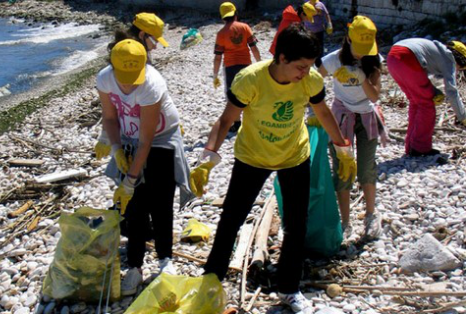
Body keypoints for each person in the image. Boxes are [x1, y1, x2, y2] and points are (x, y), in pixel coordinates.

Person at [191, 24, 356, 313]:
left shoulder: (310, 80)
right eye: (300, 66)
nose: (305, 72)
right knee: (231, 218)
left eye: (308, 67)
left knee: (296, 225)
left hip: (294, 156)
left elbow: (323, 112)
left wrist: (342, 148)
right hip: (252, 156)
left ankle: (289, 290)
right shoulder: (250, 80)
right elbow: (226, 120)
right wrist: (207, 158)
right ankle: (211, 280)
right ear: (281, 58)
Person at [96, 39, 193, 296]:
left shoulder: (152, 83)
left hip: (161, 138)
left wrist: (130, 179)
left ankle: (165, 260)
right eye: (124, 77)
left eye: (134, 76)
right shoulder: (105, 79)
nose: (129, 83)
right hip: (128, 138)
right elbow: (109, 117)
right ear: (112, 67)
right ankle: (135, 267)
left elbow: (147, 140)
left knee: (161, 202)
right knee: (134, 208)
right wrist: (115, 148)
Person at [317, 15, 388, 239]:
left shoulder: (374, 59)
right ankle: (345, 221)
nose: (362, 52)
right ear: (348, 39)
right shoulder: (333, 60)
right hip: (341, 116)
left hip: (367, 116)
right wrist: (312, 110)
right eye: (359, 47)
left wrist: (361, 77)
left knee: (367, 167)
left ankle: (370, 214)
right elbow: (313, 80)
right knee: (343, 169)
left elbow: (375, 96)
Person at [95, 12, 170, 161]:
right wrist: (105, 137)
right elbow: (115, 101)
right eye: (155, 40)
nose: (155, 47)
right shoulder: (131, 57)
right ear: (142, 34)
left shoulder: (133, 53)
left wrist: (168, 120)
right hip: (133, 130)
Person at [386, 38, 466, 156]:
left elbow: (420, 77)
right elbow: (452, 92)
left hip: (392, 58)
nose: (458, 70)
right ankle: (420, 148)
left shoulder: (436, 52)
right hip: (408, 57)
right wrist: (462, 116)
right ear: (460, 59)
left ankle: (411, 146)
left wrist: (433, 91)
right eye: (462, 67)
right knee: (426, 105)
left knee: (416, 101)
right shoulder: (449, 59)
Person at [213, 2, 261, 133]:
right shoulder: (245, 27)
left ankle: (237, 123)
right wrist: (259, 63)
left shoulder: (221, 34)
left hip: (230, 68)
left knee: (233, 95)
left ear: (223, 17)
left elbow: (218, 57)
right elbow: (254, 47)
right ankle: (253, 121)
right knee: (250, 92)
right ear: (235, 14)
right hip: (246, 65)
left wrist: (215, 75)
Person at [303, 0, 333, 67]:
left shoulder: (320, 5)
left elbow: (326, 14)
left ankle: (319, 65)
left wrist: (329, 23)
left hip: (318, 31)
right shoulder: (306, 5)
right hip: (308, 31)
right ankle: (309, 65)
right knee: (309, 48)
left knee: (319, 49)